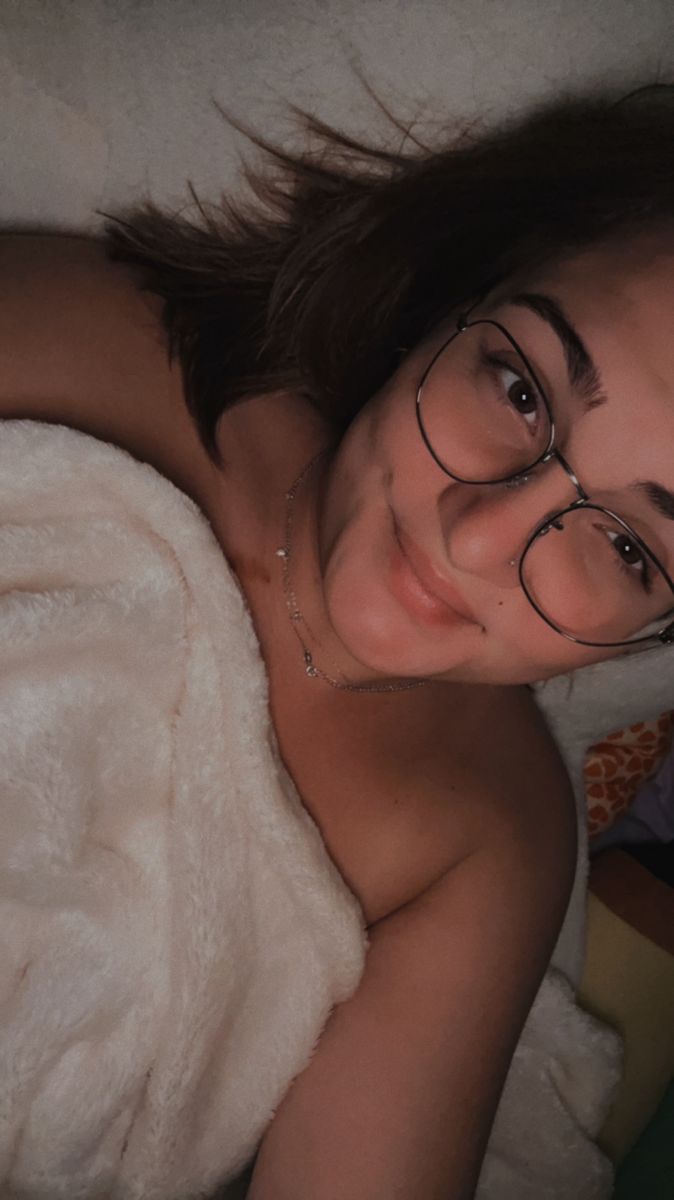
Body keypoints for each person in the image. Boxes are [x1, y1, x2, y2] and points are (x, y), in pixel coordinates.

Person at [1, 84, 673, 1199]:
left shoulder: (490, 832)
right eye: (519, 390)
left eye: (628, 549)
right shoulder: (101, 346)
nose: (478, 538)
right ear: (459, 297)